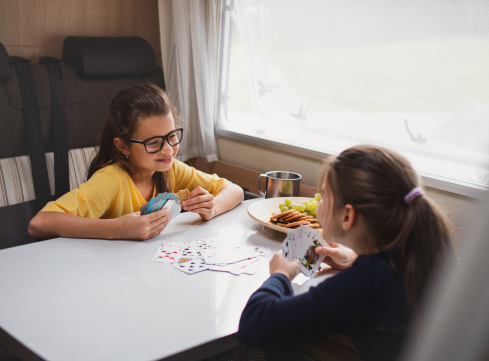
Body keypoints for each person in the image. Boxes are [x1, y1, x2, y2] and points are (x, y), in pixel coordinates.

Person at [237, 144, 455, 361]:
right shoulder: (418, 252)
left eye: (323, 195)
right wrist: (355, 260)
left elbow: (254, 324)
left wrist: (280, 275)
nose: (318, 202)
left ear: (347, 217)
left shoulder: (361, 285)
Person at [28, 83, 244, 240]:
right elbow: (39, 223)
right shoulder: (111, 179)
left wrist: (212, 207)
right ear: (123, 146)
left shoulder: (171, 170)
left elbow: (235, 190)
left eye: (171, 136)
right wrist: (117, 229)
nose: (168, 149)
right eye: (152, 143)